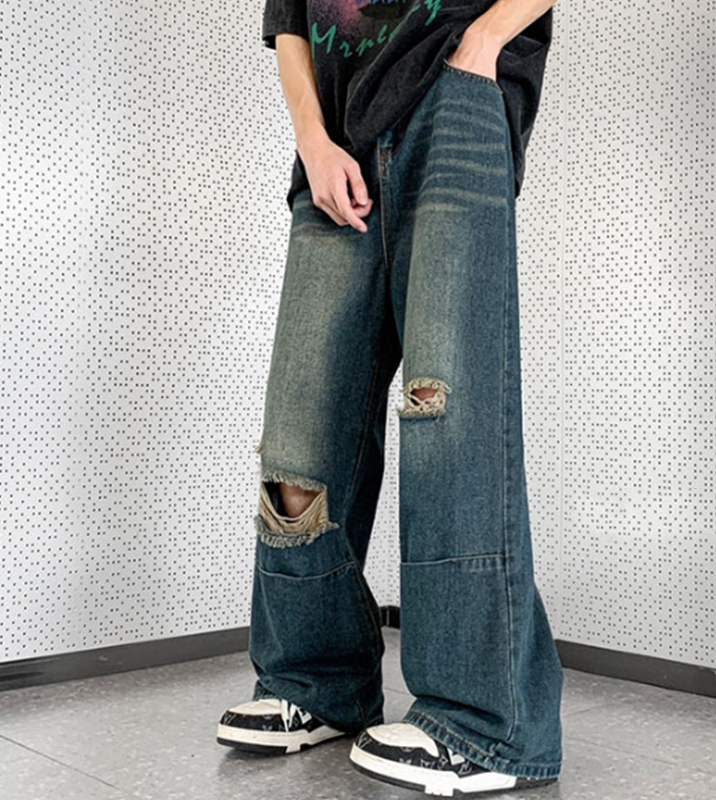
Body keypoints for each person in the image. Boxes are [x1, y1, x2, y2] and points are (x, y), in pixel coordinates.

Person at [216, 0, 564, 794]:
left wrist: (482, 44)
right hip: (335, 142)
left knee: (447, 413)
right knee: (299, 441)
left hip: (455, 100)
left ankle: (486, 722)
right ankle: (316, 683)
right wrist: (312, 139)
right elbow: (290, 19)